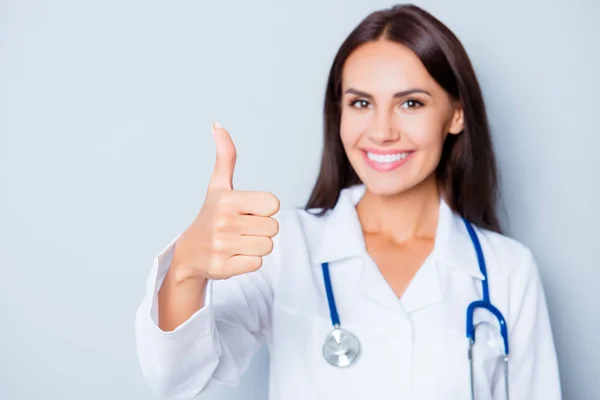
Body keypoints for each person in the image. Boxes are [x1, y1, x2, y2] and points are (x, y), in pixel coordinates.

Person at [134, 4, 561, 399]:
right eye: (360, 103)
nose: (381, 131)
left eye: (410, 103)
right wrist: (187, 268)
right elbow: (179, 377)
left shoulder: (508, 270)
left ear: (456, 114)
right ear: (338, 112)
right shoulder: (286, 246)